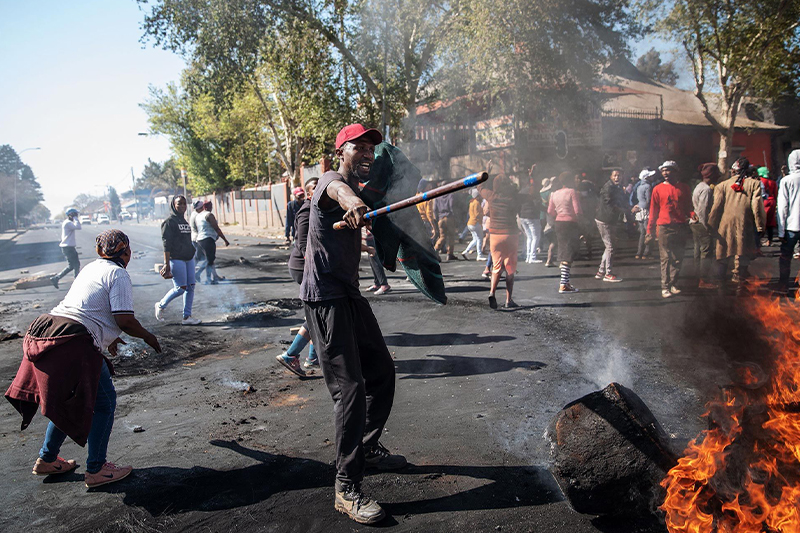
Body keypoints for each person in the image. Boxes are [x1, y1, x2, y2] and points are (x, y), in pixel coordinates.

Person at [300, 124, 406, 524]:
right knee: (350, 389)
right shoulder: (331, 181)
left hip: (348, 294)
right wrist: (351, 201)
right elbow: (336, 193)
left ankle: (366, 446)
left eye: (369, 150)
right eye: (357, 147)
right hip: (324, 299)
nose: (364, 154)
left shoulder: (358, 191)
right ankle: (346, 486)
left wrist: (365, 229)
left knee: (381, 371)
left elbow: (347, 219)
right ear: (340, 150)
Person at [6, 229, 161, 488]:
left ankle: (47, 458)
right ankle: (97, 469)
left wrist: (108, 338)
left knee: (70, 400)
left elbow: (89, 306)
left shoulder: (91, 267)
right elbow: (124, 319)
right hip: (73, 340)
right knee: (103, 403)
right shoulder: (118, 273)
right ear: (126, 251)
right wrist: (147, 336)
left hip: (46, 329)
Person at [277, 177, 319, 377]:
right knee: (317, 312)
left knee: (316, 311)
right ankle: (292, 355)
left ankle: (312, 357)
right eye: (315, 188)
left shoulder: (319, 208)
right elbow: (303, 244)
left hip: (311, 268)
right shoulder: (307, 211)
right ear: (309, 194)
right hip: (304, 268)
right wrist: (317, 267)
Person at [708, 157, 766, 293]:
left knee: (723, 256)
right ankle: (740, 288)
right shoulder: (754, 184)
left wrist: (711, 226)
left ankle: (721, 288)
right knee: (742, 255)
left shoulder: (722, 185)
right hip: (744, 225)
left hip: (725, 225)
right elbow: (757, 207)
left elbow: (715, 209)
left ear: (733, 170)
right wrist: (760, 227)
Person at [648, 161, 692, 298]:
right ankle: (665, 286)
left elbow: (688, 207)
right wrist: (650, 229)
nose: (666, 173)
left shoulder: (684, 188)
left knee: (678, 257)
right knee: (665, 257)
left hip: (680, 226)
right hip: (664, 227)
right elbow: (653, 210)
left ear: (675, 172)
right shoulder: (657, 189)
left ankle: (673, 283)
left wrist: (692, 214)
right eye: (663, 171)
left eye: (669, 170)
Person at [155, 196, 201, 325]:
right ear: (173, 205)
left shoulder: (184, 221)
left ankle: (187, 317)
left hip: (188, 258)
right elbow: (166, 244)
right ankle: (161, 305)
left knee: (191, 286)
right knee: (181, 288)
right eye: (179, 204)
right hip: (176, 259)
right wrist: (166, 264)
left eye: (184, 204)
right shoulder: (169, 222)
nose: (182, 206)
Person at [480, 174, 522, 308]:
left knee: (496, 266)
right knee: (510, 268)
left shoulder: (491, 196)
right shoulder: (513, 198)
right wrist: (532, 177)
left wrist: (486, 173)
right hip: (511, 234)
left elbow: (480, 187)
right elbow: (528, 193)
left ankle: (492, 292)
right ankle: (509, 300)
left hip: (495, 235)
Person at [548, 172, 583, 293]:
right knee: (568, 253)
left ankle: (565, 282)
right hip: (570, 224)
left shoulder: (554, 194)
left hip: (559, 223)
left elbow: (550, 211)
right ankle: (563, 284)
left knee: (563, 251)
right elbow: (577, 210)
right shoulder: (572, 192)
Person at [690, 163, 720, 289]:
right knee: (706, 252)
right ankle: (704, 280)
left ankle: (698, 277)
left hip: (694, 223)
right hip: (701, 224)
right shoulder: (706, 190)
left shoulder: (700, 186)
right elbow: (702, 210)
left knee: (698, 251)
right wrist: (707, 227)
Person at [594, 169, 626, 282]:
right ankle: (608, 273)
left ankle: (601, 271)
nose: (617, 178)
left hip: (609, 219)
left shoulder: (616, 187)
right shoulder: (608, 187)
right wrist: (624, 209)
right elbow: (610, 203)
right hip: (604, 219)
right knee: (610, 247)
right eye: (615, 175)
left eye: (619, 175)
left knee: (609, 247)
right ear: (611, 176)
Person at [777, 150, 800, 293]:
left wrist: (781, 231)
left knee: (785, 257)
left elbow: (783, 208)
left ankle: (783, 284)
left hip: (792, 227)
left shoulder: (787, 180)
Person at [195, 201, 230, 284]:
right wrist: (225, 240)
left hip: (200, 240)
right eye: (211, 206)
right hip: (208, 239)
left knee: (208, 259)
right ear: (208, 207)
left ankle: (211, 278)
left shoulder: (198, 216)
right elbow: (216, 228)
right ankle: (202, 276)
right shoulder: (209, 215)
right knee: (209, 260)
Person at [50, 208, 82, 289]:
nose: (77, 216)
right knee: (76, 264)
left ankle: (56, 278)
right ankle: (77, 283)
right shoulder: (68, 223)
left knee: (72, 266)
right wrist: (75, 218)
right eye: (75, 214)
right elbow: (78, 227)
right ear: (71, 215)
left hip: (68, 247)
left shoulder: (68, 223)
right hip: (68, 247)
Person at [519, 165, 542, 263]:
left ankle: (528, 256)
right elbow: (537, 203)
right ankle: (532, 257)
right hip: (532, 216)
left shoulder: (521, 191)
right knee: (536, 236)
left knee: (529, 237)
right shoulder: (533, 191)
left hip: (523, 216)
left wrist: (531, 175)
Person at [632, 169, 656, 259]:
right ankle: (647, 253)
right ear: (647, 177)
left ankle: (639, 253)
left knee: (642, 233)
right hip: (646, 210)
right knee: (649, 232)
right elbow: (649, 200)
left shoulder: (639, 186)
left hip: (639, 210)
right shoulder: (648, 186)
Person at [434, 184, 458, 260]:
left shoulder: (437, 197)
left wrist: (437, 219)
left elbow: (434, 209)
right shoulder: (450, 195)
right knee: (451, 236)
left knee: (442, 236)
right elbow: (451, 206)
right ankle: (450, 254)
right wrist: (455, 217)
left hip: (441, 218)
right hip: (449, 217)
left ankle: (435, 250)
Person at [461, 188, 487, 260]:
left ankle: (466, 252)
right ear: (477, 196)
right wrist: (483, 214)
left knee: (475, 239)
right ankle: (479, 255)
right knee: (479, 239)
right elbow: (477, 214)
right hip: (475, 222)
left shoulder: (471, 202)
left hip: (470, 223)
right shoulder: (477, 203)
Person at [189, 199, 208, 281]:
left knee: (199, 259)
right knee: (208, 259)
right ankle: (196, 274)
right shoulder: (198, 216)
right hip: (198, 239)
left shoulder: (193, 214)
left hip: (194, 238)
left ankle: (214, 276)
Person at [758, 166, 778, 246]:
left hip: (764, 201)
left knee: (762, 221)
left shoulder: (761, 181)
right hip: (772, 201)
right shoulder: (773, 182)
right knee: (770, 222)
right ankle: (770, 240)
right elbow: (775, 193)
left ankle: (760, 240)